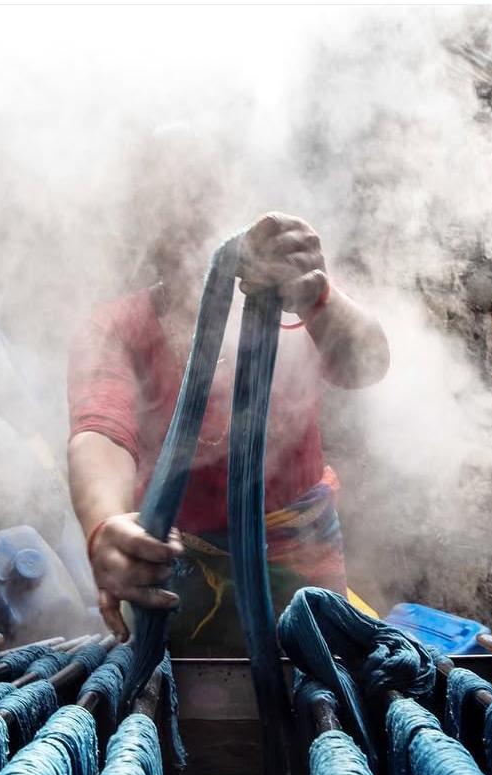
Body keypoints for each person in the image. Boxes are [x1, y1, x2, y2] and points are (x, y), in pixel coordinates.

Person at [67, 132, 390, 654]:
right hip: (170, 566)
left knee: (312, 693)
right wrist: (104, 526)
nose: (184, 221)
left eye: (200, 196)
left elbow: (366, 363)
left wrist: (318, 296)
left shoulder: (284, 301)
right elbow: (101, 431)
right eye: (164, 206)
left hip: (297, 561)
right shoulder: (117, 327)